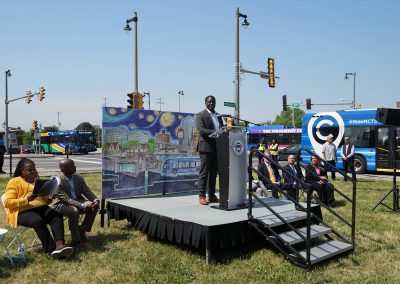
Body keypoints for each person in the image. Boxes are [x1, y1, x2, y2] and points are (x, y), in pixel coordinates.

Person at [3, 158, 73, 258]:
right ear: (22, 171)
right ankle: (51, 250)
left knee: (56, 216)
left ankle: (60, 245)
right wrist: (26, 199)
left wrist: (49, 198)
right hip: (22, 211)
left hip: (40, 207)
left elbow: (43, 199)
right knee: (38, 221)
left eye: (34, 169)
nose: (33, 172)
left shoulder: (37, 181)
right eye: (29, 170)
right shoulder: (14, 182)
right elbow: (7, 202)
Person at [50, 159, 99, 247]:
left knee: (94, 206)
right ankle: (75, 240)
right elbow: (66, 200)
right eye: (72, 166)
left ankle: (82, 230)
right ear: (63, 168)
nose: (75, 167)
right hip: (60, 204)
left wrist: (95, 200)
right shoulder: (57, 181)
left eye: (74, 165)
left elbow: (86, 191)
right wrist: (83, 205)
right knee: (74, 211)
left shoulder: (78, 176)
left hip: (77, 200)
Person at [195, 95, 224, 205]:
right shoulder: (201, 115)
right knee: (204, 173)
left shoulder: (218, 116)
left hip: (217, 148)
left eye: (213, 102)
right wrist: (216, 132)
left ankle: (211, 195)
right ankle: (202, 196)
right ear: (205, 103)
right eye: (209, 102)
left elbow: (221, 129)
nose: (211, 104)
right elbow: (201, 130)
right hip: (206, 147)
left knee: (213, 173)